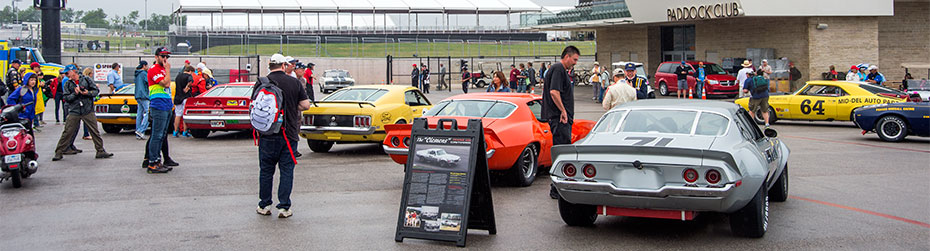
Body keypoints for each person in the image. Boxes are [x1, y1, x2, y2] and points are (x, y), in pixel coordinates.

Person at [256, 54, 312, 218]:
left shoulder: (261, 82)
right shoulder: (293, 82)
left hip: (266, 134)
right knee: (286, 170)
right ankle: (284, 207)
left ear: (269, 65)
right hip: (288, 134)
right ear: (283, 65)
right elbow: (305, 105)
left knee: (266, 171)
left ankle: (264, 205)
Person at [52, 64, 114, 161]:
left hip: (87, 109)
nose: (66, 75)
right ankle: (59, 152)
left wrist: (87, 93)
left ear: (73, 71)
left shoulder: (86, 79)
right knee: (67, 131)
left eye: (68, 73)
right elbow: (66, 98)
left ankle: (100, 150)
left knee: (94, 131)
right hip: (74, 110)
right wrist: (75, 94)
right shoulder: (67, 84)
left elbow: (96, 90)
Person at [543, 46, 580, 200]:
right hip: (559, 119)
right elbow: (554, 92)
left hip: (559, 118)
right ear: (567, 56)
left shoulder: (559, 69)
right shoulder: (559, 69)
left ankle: (558, 187)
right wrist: (563, 111)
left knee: (563, 152)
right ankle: (557, 188)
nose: (575, 63)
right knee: (562, 153)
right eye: (574, 59)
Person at [144, 47, 174, 173]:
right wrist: (167, 70)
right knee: (157, 135)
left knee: (162, 135)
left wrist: (166, 71)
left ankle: (158, 160)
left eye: (167, 56)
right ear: (156, 57)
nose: (165, 59)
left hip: (166, 104)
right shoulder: (154, 70)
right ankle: (153, 162)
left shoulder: (163, 70)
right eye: (163, 56)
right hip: (158, 104)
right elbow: (166, 84)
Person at [173, 66, 194, 138]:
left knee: (178, 115)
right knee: (185, 115)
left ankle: (175, 131)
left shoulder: (178, 76)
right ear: (190, 71)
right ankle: (185, 131)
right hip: (185, 97)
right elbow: (190, 81)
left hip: (178, 97)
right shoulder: (189, 76)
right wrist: (187, 87)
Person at [134, 61, 150, 140]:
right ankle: (141, 130)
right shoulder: (144, 73)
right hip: (144, 95)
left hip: (138, 95)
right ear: (144, 66)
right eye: (147, 66)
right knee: (148, 112)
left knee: (139, 113)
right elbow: (149, 82)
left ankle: (138, 131)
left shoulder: (137, 74)